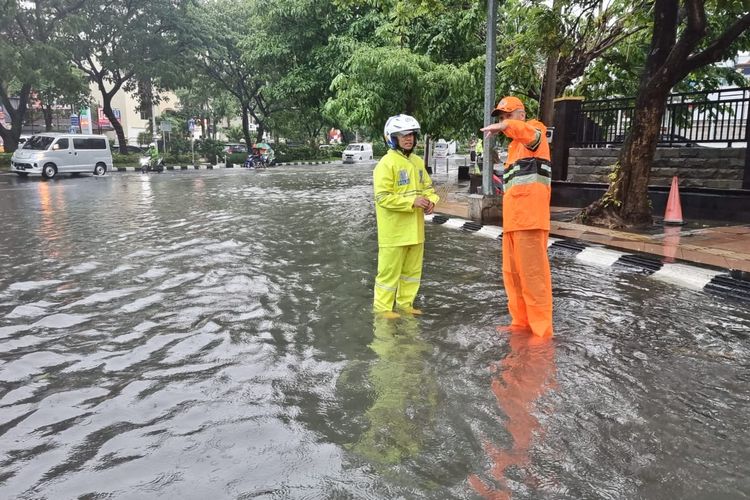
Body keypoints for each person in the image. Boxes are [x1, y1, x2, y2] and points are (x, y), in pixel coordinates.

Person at [481, 96, 553, 337]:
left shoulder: (535, 131)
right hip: (513, 222)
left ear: (521, 115)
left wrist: (507, 126)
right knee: (512, 276)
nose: (503, 121)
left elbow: (530, 135)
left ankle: (541, 331)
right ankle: (520, 323)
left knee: (534, 278)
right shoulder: (513, 148)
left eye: (507, 116)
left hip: (531, 220)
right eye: (501, 118)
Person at [373, 114, 439, 318]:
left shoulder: (418, 162)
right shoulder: (386, 164)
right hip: (393, 233)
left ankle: (405, 304)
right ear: (392, 138)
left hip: (416, 231)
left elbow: (428, 187)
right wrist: (411, 202)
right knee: (388, 274)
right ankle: (383, 309)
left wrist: (432, 201)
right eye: (402, 135)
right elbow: (382, 197)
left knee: (412, 274)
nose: (408, 138)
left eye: (410, 134)